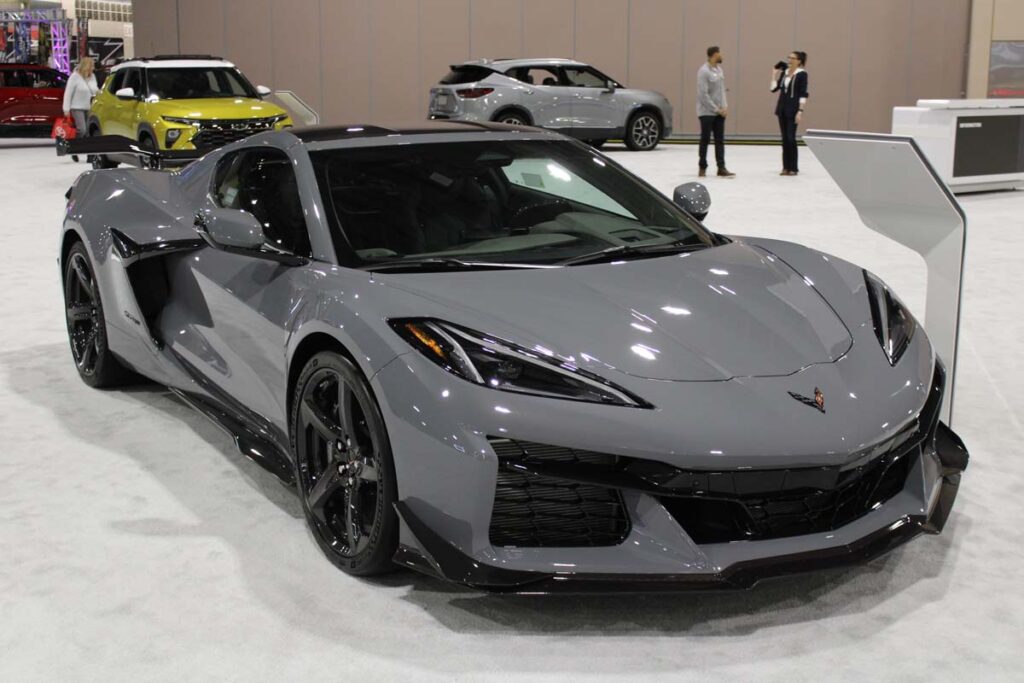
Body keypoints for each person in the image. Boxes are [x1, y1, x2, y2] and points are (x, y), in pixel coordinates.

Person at [696, 46, 734, 177]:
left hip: (720, 112)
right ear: (714, 55)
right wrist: (716, 109)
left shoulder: (719, 70)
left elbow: (722, 91)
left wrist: (725, 107)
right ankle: (702, 167)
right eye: (719, 53)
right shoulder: (703, 71)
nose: (721, 55)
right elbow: (703, 94)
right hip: (707, 112)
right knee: (705, 139)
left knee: (720, 140)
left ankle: (721, 167)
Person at [771, 51, 808, 176]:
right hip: (782, 108)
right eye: (789, 57)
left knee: (791, 138)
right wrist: (773, 75)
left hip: (793, 109)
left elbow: (803, 93)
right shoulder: (785, 72)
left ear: (799, 61)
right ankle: (785, 167)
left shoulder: (802, 74)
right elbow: (773, 89)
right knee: (784, 139)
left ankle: (793, 167)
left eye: (793, 58)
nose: (790, 60)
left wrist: (800, 111)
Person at [62, 57, 99, 163]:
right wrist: (66, 109)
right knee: (81, 129)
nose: (93, 68)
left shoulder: (92, 77)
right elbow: (68, 93)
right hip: (77, 107)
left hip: (89, 107)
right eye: (91, 65)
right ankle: (74, 148)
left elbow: (95, 90)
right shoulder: (74, 77)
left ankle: (90, 155)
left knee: (88, 132)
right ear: (86, 66)